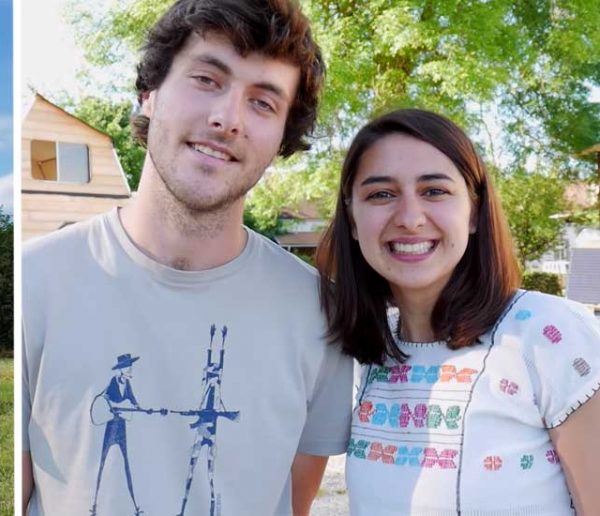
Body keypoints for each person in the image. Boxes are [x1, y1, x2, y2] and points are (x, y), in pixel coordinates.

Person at [22, 1, 354, 515]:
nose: (227, 119)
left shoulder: (321, 314)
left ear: (282, 139)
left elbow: (292, 502)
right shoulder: (35, 284)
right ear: (149, 94)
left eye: (263, 103)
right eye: (206, 79)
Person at [317, 108, 600, 515]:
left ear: (474, 211)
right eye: (381, 194)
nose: (410, 218)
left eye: (434, 191)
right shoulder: (365, 353)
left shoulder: (547, 334)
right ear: (353, 219)